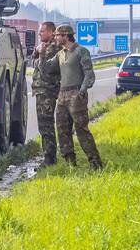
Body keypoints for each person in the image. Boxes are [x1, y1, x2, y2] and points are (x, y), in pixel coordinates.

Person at [53, 23, 103, 169]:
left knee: (81, 129)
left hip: (76, 94)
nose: (55, 38)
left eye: (57, 35)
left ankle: (95, 163)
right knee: (62, 129)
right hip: (62, 94)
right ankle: (70, 164)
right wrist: (40, 55)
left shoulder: (81, 51)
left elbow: (89, 73)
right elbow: (48, 69)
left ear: (65, 35)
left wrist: (82, 90)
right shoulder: (60, 54)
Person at [31, 21, 61, 166]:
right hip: (42, 90)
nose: (40, 34)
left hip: (47, 91)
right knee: (44, 125)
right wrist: (37, 52)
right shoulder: (45, 47)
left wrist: (40, 54)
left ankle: (49, 159)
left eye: (42, 31)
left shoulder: (54, 48)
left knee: (46, 125)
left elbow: (44, 69)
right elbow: (33, 63)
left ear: (50, 32)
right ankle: (49, 157)